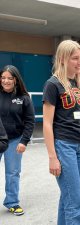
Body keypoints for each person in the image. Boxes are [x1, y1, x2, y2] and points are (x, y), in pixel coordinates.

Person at [42, 40, 80, 225]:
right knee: (75, 201)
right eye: (75, 58)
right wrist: (52, 157)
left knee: (68, 196)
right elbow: (47, 124)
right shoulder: (53, 84)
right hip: (63, 145)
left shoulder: (76, 84)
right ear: (63, 58)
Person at [0, 65, 35, 216]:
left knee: (12, 173)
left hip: (14, 140)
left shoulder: (24, 98)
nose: (5, 81)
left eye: (9, 78)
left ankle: (12, 202)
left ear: (15, 80)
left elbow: (30, 121)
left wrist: (24, 141)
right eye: (3, 78)